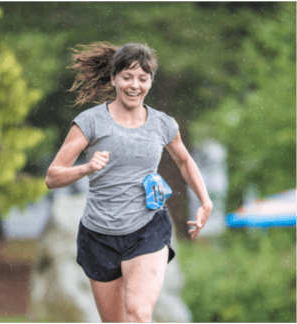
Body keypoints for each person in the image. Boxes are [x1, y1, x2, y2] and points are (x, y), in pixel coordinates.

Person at [45, 42, 213, 323]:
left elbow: (184, 161)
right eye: (127, 77)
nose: (135, 85)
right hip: (99, 234)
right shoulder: (90, 122)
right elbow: (53, 176)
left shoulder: (162, 124)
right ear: (113, 79)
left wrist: (206, 201)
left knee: (139, 313)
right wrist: (86, 168)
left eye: (142, 78)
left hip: (147, 228)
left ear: (150, 81)